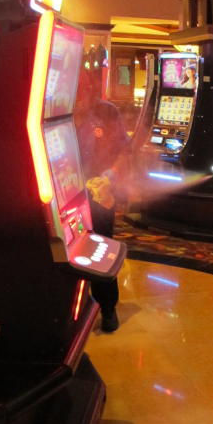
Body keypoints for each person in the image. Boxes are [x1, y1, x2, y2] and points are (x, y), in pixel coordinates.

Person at [75, 74, 130, 333]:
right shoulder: (53, 110)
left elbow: (124, 151)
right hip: (67, 192)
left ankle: (108, 308)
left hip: (100, 193)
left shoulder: (106, 112)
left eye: (83, 87)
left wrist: (111, 175)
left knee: (100, 249)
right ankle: (75, 307)